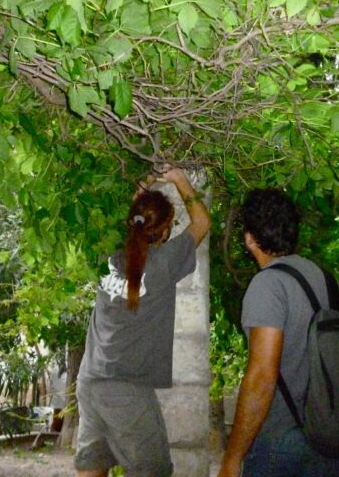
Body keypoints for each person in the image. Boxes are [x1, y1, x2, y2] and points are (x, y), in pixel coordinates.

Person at [74, 166, 211, 477]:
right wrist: (179, 179)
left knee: (93, 463)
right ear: (163, 232)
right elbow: (202, 221)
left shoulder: (108, 256)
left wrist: (148, 180)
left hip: (90, 380)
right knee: (154, 471)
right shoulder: (163, 262)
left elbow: (136, 213)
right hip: (126, 388)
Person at [218, 188, 339, 477]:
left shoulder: (268, 284)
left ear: (250, 239)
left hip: (282, 444)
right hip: (333, 437)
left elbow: (263, 376)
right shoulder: (330, 283)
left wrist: (232, 457)